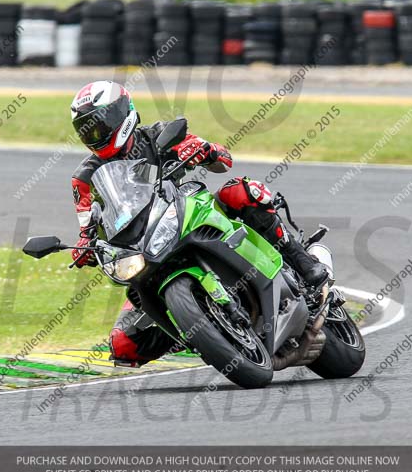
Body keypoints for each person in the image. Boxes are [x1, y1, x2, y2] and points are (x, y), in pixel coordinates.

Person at [69, 81, 328, 366]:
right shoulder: (84, 178)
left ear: (122, 115)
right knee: (123, 344)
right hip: (143, 249)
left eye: (99, 126)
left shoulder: (158, 135)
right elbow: (88, 225)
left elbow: (223, 160)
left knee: (241, 192)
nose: (94, 135)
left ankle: (302, 262)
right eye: (86, 130)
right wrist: (84, 247)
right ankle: (201, 332)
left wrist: (203, 150)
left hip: (185, 214)